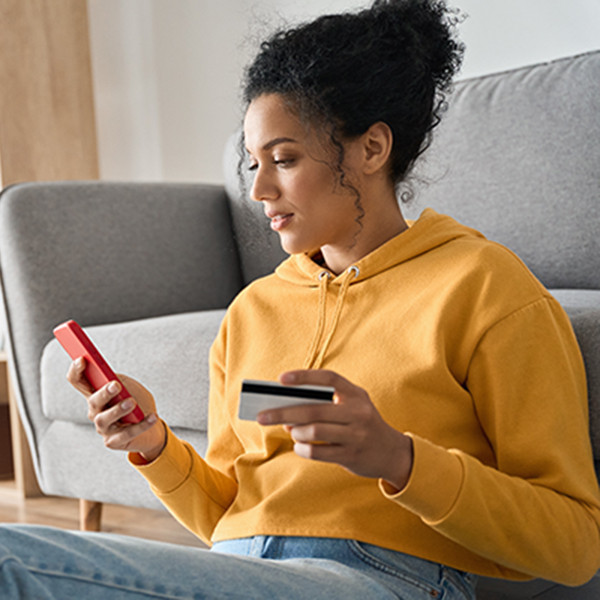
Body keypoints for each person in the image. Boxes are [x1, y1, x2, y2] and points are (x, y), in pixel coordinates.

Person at [2, 0, 600, 598]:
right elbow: (226, 517)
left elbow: (574, 546)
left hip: (386, 576)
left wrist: (401, 460)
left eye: (284, 159)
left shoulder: (484, 287)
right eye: (253, 163)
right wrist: (153, 444)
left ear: (371, 149)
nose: (259, 190)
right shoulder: (252, 313)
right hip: (243, 568)